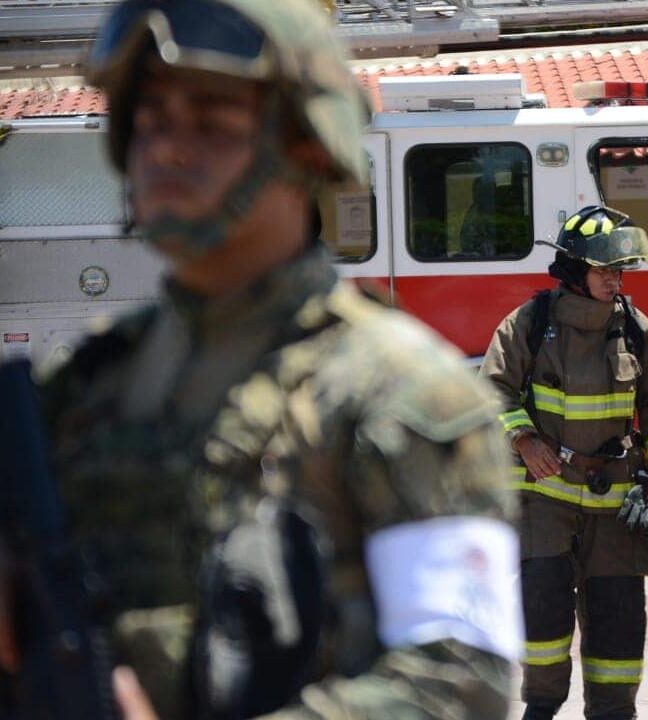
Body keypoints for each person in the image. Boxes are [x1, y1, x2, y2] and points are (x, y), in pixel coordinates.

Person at [30, 1, 522, 717]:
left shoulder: (406, 393)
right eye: (151, 120)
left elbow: (459, 687)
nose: (165, 149)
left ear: (310, 148)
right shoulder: (84, 382)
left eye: (213, 124)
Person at [480, 206, 648, 720]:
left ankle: (613, 713)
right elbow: (490, 391)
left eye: (619, 271)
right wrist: (525, 440)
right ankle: (542, 707)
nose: (614, 280)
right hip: (544, 499)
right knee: (544, 616)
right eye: (604, 271)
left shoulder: (635, 329)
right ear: (575, 270)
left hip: (614, 504)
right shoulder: (531, 324)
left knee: (618, 621)